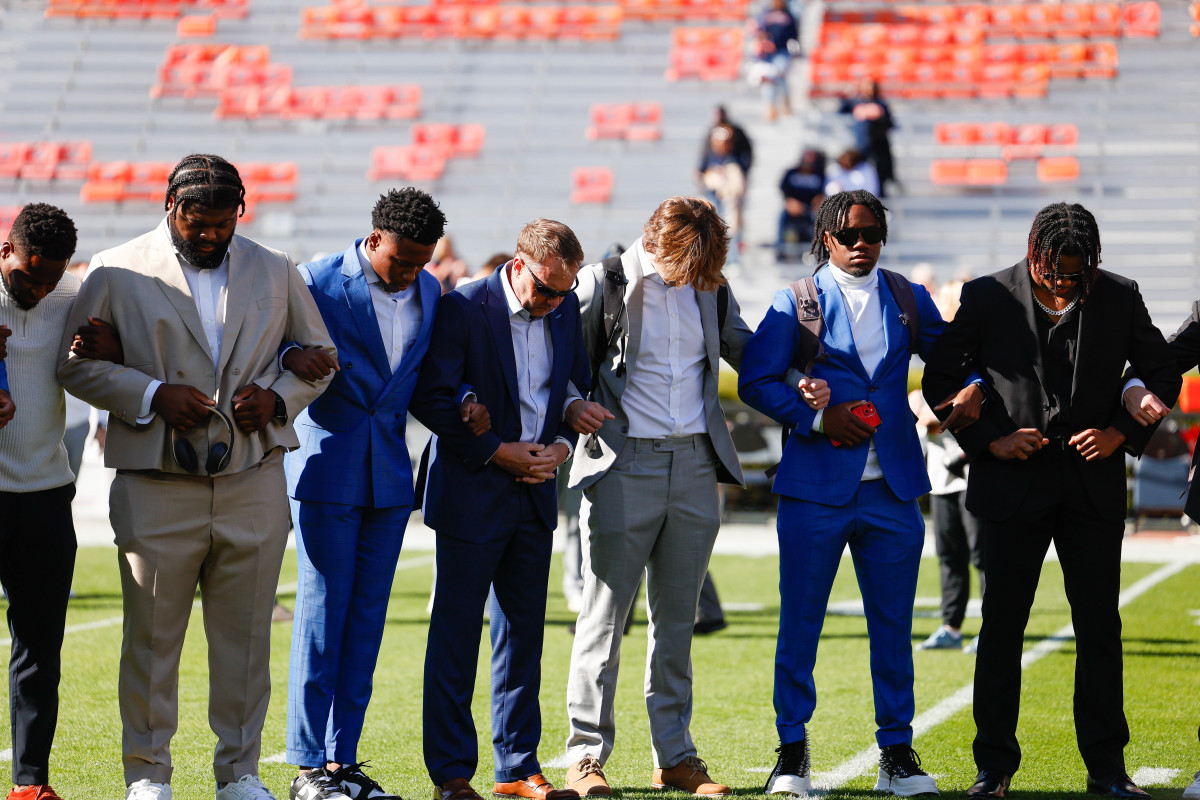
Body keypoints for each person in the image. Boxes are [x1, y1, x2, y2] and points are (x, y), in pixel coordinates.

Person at [58, 154, 337, 800]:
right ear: (168, 206)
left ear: (240, 212)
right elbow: (74, 368)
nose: (209, 234)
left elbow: (320, 362)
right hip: (155, 482)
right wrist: (153, 393)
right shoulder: (115, 268)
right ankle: (148, 774)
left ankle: (238, 772)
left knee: (244, 644)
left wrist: (275, 399)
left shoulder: (275, 268)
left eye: (221, 222)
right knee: (151, 641)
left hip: (253, 480)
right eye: (195, 221)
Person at [921, 202, 1181, 800]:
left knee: (1099, 629)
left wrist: (1122, 430)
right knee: (1002, 628)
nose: (1064, 284)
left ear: (1092, 262)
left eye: (1076, 274)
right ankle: (993, 770)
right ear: (1033, 249)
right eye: (1054, 272)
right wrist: (991, 440)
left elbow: (1163, 371)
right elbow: (941, 380)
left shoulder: (1118, 293)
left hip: (1092, 484)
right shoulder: (986, 295)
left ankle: (1108, 772)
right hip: (1011, 484)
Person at [738, 189, 981, 797]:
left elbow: (954, 357)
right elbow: (756, 381)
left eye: (873, 234)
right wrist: (817, 419)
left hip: (893, 489)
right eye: (850, 235)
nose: (862, 245)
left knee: (894, 627)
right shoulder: (794, 302)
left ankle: (896, 755)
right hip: (815, 490)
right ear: (826, 237)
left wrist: (973, 382)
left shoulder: (907, 296)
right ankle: (791, 755)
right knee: (800, 626)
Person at [562, 197, 756, 798]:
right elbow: (564, 364)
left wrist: (805, 370)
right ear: (658, 245)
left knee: (678, 622)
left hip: (697, 465)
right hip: (625, 466)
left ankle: (675, 756)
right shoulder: (603, 284)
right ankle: (586, 757)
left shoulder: (712, 288)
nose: (701, 277)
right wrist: (575, 405)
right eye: (691, 266)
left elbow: (750, 353)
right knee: (604, 618)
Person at [409, 219, 600, 800]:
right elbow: (431, 395)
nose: (554, 302)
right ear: (518, 266)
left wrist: (567, 439)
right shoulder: (463, 305)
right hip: (472, 490)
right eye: (546, 289)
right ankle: (451, 773)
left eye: (564, 292)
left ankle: (517, 767)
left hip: (537, 489)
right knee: (457, 634)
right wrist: (496, 451)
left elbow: (572, 385)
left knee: (523, 636)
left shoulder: (565, 308)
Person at [283, 188, 450, 800]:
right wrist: (293, 354)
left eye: (421, 263)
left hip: (389, 479)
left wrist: (461, 404)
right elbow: (271, 348)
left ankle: (342, 761)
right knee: (322, 617)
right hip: (324, 467)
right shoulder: (314, 280)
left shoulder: (431, 290)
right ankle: (306, 768)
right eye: (401, 262)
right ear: (374, 238)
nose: (410, 274)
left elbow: (422, 380)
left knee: (367, 621)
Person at [0, 204, 78, 800]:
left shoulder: (70, 300)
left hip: (47, 496)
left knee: (39, 648)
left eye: (52, 277)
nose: (41, 287)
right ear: (8, 251)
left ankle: (31, 783)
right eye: (31, 274)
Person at [911, 390, 984, 653]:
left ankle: (990, 629)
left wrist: (923, 410)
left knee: (982, 557)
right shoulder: (921, 393)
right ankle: (951, 628)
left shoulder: (963, 389)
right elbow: (917, 413)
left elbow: (933, 419)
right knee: (949, 558)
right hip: (940, 484)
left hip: (969, 481)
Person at [838, 80, 896, 196]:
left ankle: (880, 196)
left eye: (872, 87)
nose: (869, 90)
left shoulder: (881, 104)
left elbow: (890, 123)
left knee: (880, 172)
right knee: (860, 172)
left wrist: (878, 121)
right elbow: (841, 112)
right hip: (861, 145)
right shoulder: (856, 102)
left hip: (879, 145)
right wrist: (847, 96)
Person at [698, 127, 746, 261]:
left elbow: (738, 187)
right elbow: (703, 181)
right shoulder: (709, 160)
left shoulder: (734, 162)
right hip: (713, 204)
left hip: (728, 205)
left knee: (730, 233)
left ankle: (732, 260)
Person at [776, 148, 825, 262]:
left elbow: (821, 193)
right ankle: (780, 250)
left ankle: (817, 251)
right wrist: (791, 202)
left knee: (819, 221)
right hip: (793, 209)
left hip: (811, 210)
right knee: (783, 217)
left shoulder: (819, 175)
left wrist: (818, 202)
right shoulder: (792, 173)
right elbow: (784, 191)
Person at [755, 0, 799, 121]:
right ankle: (771, 107)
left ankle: (786, 102)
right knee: (769, 80)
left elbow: (794, 35)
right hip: (768, 54)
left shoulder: (788, 15)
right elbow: (759, 32)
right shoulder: (766, 14)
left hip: (782, 51)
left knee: (779, 75)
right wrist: (765, 42)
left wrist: (795, 50)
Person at [697, 106, 752, 179]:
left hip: (733, 165)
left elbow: (746, 150)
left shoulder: (736, 131)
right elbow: (706, 153)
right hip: (714, 167)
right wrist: (701, 169)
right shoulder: (712, 132)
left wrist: (744, 167)